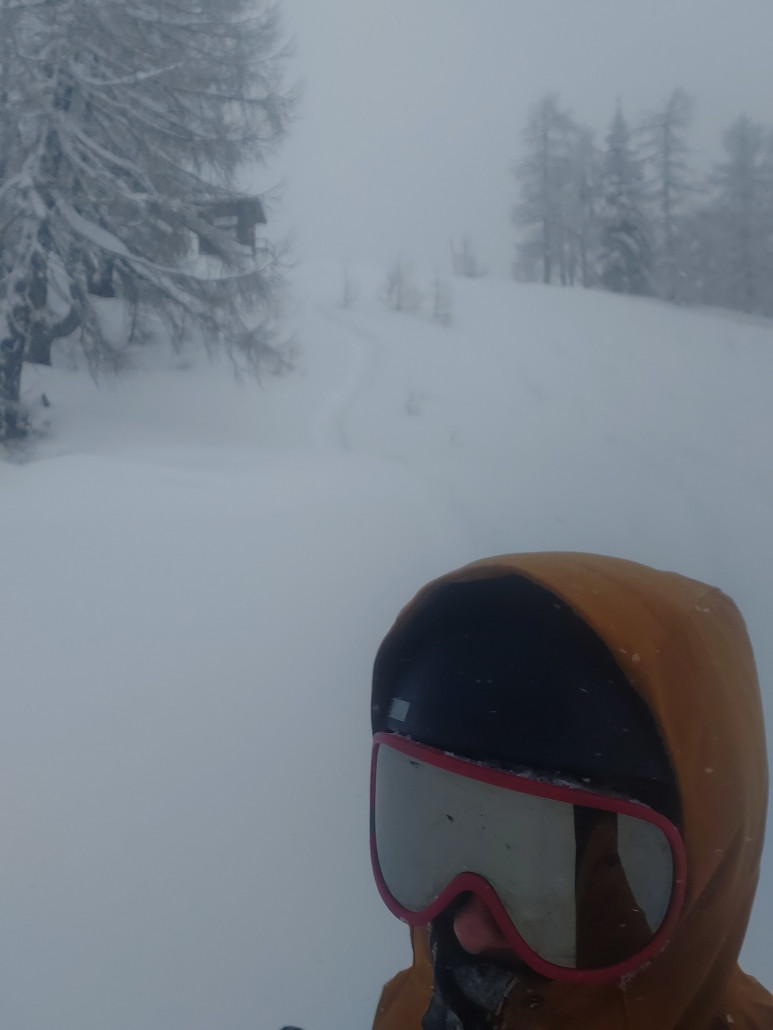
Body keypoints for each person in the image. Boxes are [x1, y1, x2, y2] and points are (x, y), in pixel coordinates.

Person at [369, 553, 772, 1030]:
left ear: (709, 869)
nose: (469, 931)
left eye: (539, 869)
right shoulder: (411, 1004)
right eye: (446, 828)